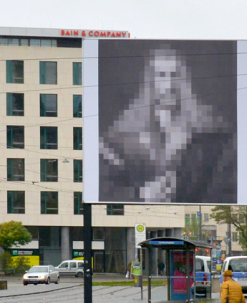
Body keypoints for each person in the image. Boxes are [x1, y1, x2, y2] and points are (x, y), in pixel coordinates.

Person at [99, 45, 236, 203]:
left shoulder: (211, 133)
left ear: (185, 80)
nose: (169, 84)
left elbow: (223, 189)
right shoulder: (120, 135)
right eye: (161, 75)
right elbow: (108, 187)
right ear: (150, 80)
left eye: (175, 75)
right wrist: (141, 195)